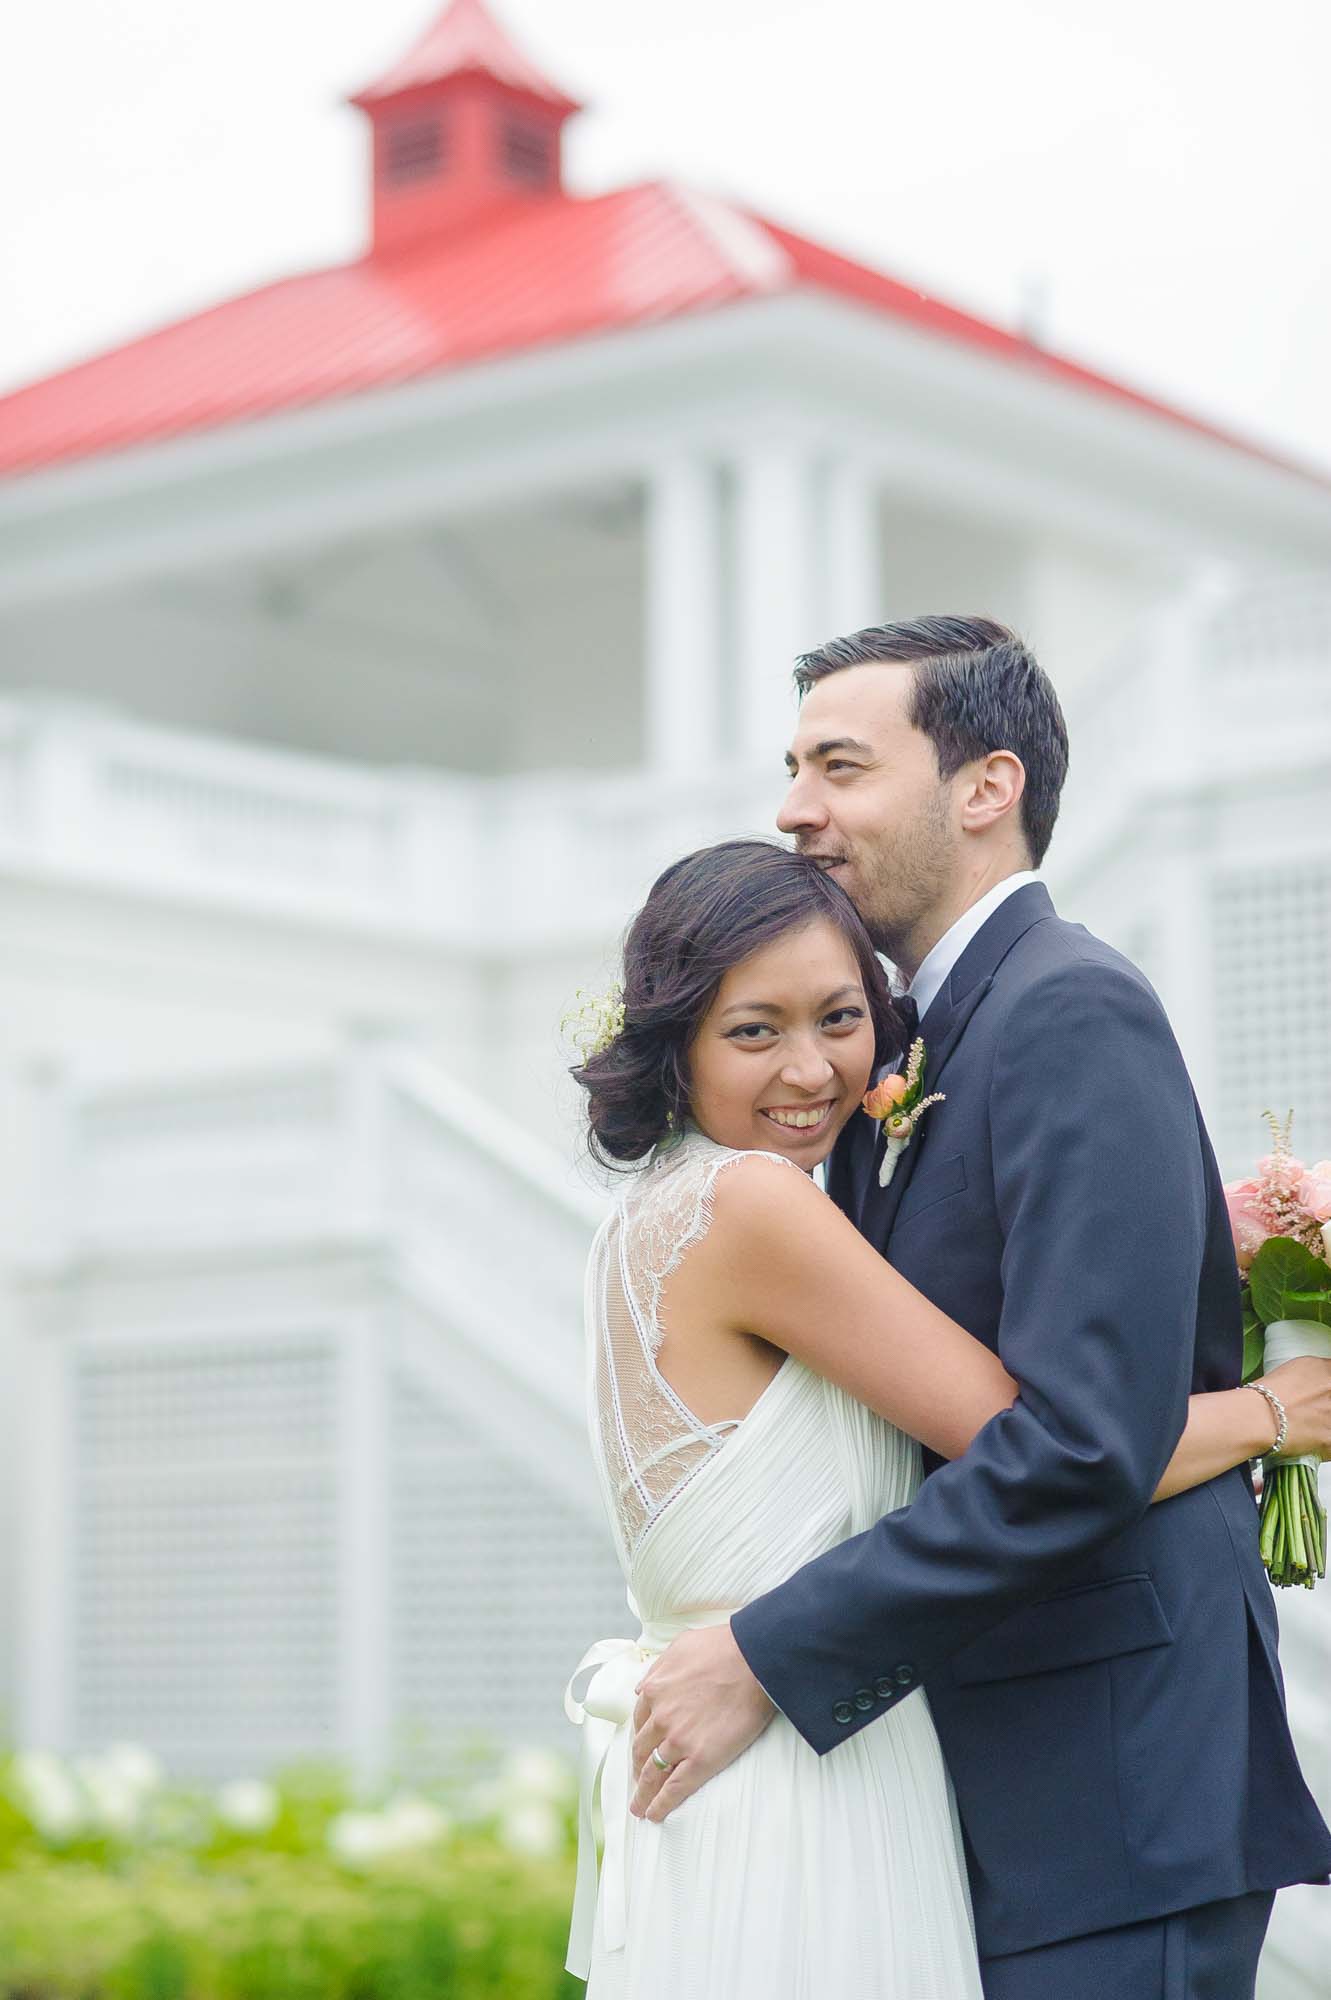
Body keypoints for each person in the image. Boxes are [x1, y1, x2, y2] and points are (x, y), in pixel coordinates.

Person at [566, 744, 1331, 1993]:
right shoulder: (756, 1204)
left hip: (773, 1748)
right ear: (673, 1045)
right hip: (795, 1753)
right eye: (751, 1029)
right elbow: (1046, 1445)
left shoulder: (654, 1217)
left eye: (837, 1018)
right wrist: (1267, 1410)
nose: (810, 1070)